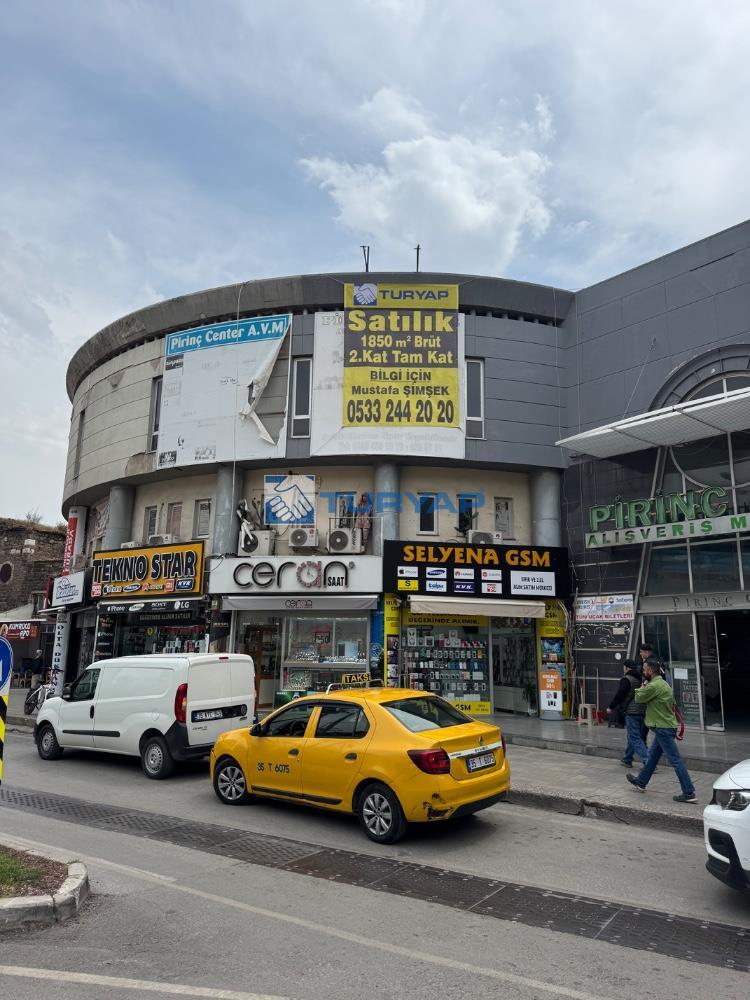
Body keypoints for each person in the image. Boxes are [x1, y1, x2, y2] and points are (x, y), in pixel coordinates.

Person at [626, 657, 697, 803]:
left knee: (675, 760)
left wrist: (643, 684)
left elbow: (638, 697)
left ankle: (689, 792)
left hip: (663, 728)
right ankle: (641, 781)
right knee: (652, 757)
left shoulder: (654, 686)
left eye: (644, 669)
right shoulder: (664, 684)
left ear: (650, 671)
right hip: (664, 727)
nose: (643, 672)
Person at [606, 659, 649, 767]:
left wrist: (611, 706)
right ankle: (627, 759)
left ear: (626, 667)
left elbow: (620, 694)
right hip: (643, 711)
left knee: (635, 738)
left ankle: (648, 762)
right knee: (633, 736)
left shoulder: (627, 679)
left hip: (632, 711)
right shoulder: (642, 678)